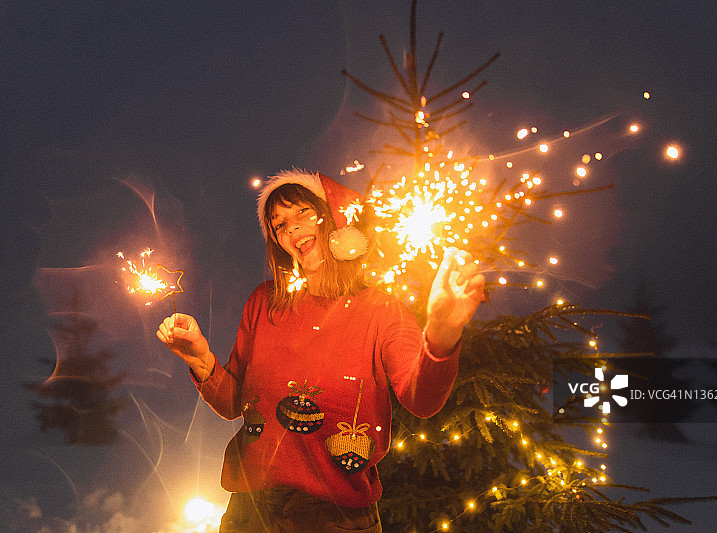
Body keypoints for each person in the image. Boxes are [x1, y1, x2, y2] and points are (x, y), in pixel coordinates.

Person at [156, 170, 485, 532]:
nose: (292, 229)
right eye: (279, 225)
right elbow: (236, 404)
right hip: (248, 514)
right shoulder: (264, 303)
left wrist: (442, 333)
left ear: (338, 222)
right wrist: (199, 358)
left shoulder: (382, 311)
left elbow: (421, 399)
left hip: (336, 520)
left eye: (302, 213)